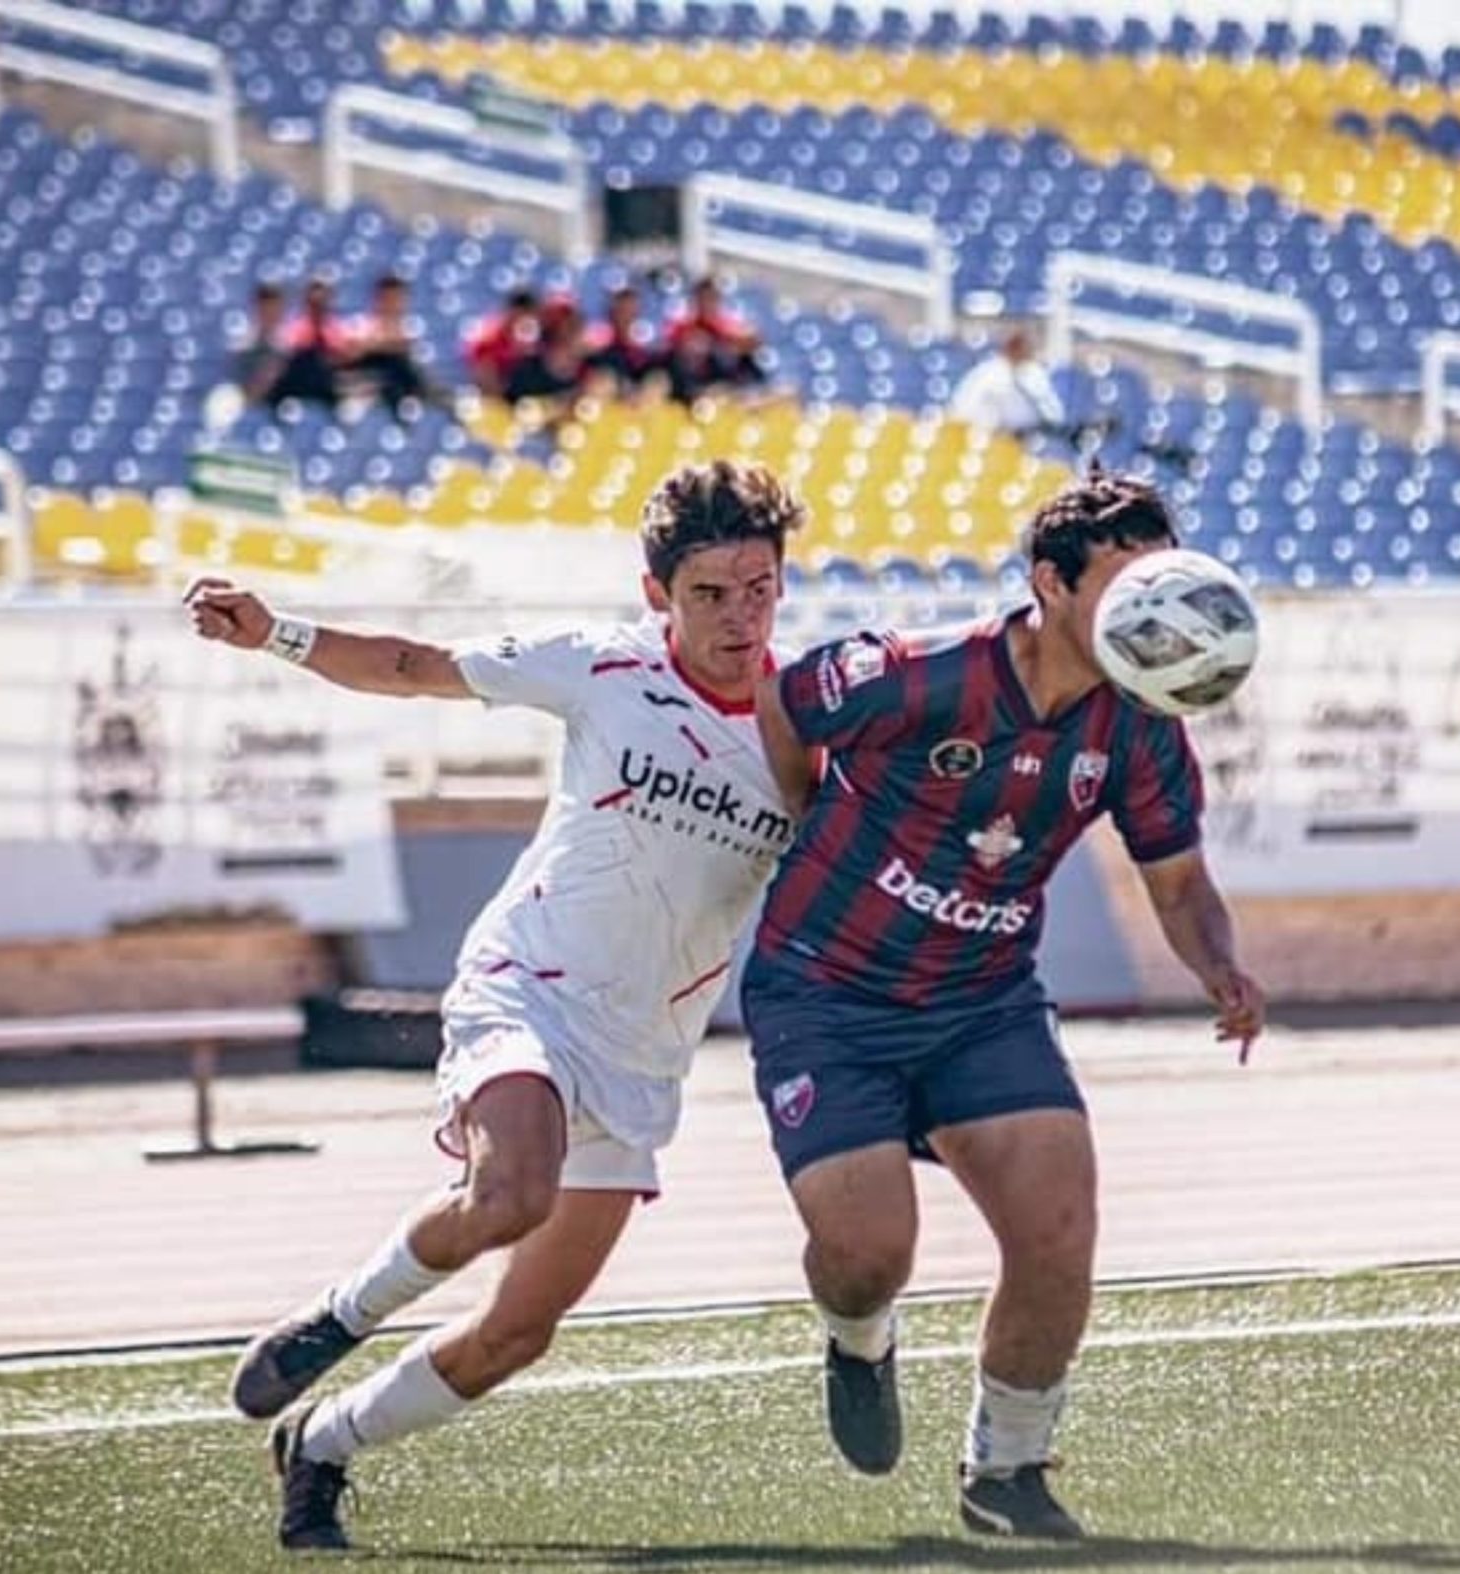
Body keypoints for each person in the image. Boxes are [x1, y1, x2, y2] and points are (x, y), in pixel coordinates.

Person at [185, 459, 806, 1553]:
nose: (739, 615)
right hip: (526, 987)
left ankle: (320, 1445)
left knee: (518, 1331)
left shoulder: (804, 728)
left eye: (759, 587)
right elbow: (413, 663)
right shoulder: (601, 667)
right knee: (509, 1189)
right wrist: (273, 632)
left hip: (644, 1052)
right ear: (658, 591)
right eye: (710, 592)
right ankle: (342, 1312)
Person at [744, 470, 1266, 1542]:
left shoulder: (1139, 724)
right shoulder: (920, 674)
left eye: (1163, 573)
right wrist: (803, 815)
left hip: (981, 1004)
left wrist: (1218, 966)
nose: (1154, 602)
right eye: (1127, 577)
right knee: (865, 1251)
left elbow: (1177, 881)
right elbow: (785, 702)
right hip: (826, 992)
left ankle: (1007, 1470)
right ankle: (857, 1334)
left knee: (1057, 1228)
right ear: (1050, 583)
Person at [946, 326, 1066, 438]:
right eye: (1016, 346)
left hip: (1031, 438)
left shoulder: (1035, 373)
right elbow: (961, 413)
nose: (1021, 350)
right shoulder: (986, 374)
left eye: (1025, 346)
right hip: (989, 440)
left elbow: (1054, 414)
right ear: (1007, 348)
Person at [665, 273, 767, 404]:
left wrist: (738, 344)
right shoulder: (685, 325)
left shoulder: (724, 325)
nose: (707, 303)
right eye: (703, 298)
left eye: (712, 298)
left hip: (719, 381)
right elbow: (671, 345)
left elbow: (752, 340)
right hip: (688, 382)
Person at [347, 272, 439, 415]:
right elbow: (354, 352)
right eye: (388, 298)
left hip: (403, 382)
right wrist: (384, 344)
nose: (393, 304)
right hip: (370, 380)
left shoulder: (408, 327)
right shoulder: (361, 324)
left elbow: (406, 347)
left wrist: (385, 343)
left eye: (398, 299)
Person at [266, 276, 345, 410]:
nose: (318, 308)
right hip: (298, 382)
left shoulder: (336, 328)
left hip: (327, 385)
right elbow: (289, 348)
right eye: (313, 303)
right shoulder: (296, 326)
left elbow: (342, 353)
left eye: (322, 303)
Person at [230, 279, 290, 408]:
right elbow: (237, 386)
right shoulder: (242, 347)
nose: (270, 313)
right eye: (265, 308)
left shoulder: (291, 346)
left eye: (274, 307)